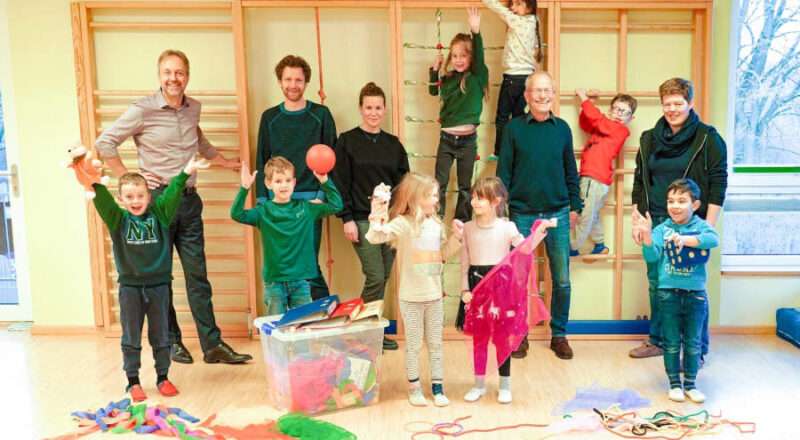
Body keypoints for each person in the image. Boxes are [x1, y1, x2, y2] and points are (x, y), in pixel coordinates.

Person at [95, 49, 251, 365]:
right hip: (157, 204)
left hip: (189, 202)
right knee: (160, 278)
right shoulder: (143, 110)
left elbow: (198, 139)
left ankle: (213, 346)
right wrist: (128, 180)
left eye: (179, 72)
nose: (173, 78)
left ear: (187, 75)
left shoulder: (193, 108)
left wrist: (223, 161)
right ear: (159, 75)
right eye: (167, 72)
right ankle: (173, 342)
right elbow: (104, 143)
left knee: (198, 277)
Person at [83, 156, 207, 401]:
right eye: (129, 197)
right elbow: (103, 201)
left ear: (149, 197)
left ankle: (162, 377)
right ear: (122, 200)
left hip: (159, 287)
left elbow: (172, 193)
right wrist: (93, 183)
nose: (135, 201)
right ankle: (133, 381)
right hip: (130, 289)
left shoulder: (160, 215)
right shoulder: (118, 220)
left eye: (140, 196)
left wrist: (185, 172)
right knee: (131, 337)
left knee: (161, 336)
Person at [630, 78, 728, 361]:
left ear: (690, 104)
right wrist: (639, 220)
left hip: (690, 223)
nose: (672, 109)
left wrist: (707, 225)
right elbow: (640, 181)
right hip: (658, 221)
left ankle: (698, 348)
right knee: (658, 283)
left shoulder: (708, 138)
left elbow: (718, 182)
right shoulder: (649, 138)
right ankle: (658, 341)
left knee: (690, 286)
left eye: (678, 104)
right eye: (667, 104)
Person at [497, 71, 582, 360]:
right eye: (537, 91)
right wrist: (501, 212)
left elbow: (571, 170)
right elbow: (503, 172)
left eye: (547, 90)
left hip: (558, 212)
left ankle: (559, 334)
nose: (542, 96)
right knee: (519, 280)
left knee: (562, 280)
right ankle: (520, 334)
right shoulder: (514, 129)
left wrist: (576, 205)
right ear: (527, 95)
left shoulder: (563, 129)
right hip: (521, 214)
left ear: (554, 94)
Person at [365, 173, 463, 407]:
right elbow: (374, 236)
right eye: (430, 195)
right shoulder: (403, 223)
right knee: (414, 344)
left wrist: (457, 239)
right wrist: (378, 209)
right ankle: (414, 387)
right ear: (415, 198)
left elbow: (442, 256)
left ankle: (438, 388)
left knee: (436, 344)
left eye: (436, 195)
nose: (435, 199)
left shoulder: (437, 223)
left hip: (434, 297)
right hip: (411, 298)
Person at [333, 82, 409, 350]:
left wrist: (403, 220)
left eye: (378, 107)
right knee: (375, 275)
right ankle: (356, 332)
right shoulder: (347, 141)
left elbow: (404, 184)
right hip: (362, 220)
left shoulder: (393, 144)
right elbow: (339, 183)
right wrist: (346, 219)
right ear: (360, 109)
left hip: (390, 222)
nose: (373, 112)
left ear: (385, 109)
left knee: (384, 275)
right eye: (368, 107)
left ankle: (372, 332)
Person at [255, 55, 337, 301]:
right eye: (288, 79)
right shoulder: (269, 117)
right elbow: (262, 158)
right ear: (280, 82)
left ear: (306, 82)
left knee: (307, 265)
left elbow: (333, 158)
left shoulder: (321, 115)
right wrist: (263, 202)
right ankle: (294, 322)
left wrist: (323, 196)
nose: (293, 84)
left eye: (298, 80)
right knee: (284, 266)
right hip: (277, 205)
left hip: (309, 202)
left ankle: (322, 316)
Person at [634, 178, 719, 403]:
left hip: (695, 295)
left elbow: (712, 239)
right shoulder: (663, 229)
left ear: (696, 205)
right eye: (671, 201)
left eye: (682, 201)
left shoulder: (700, 226)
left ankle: (690, 384)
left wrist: (685, 239)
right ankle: (674, 384)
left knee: (693, 343)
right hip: (668, 293)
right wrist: (647, 238)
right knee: (671, 342)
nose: (675, 205)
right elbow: (651, 257)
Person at [231, 157, 342, 315]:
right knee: (277, 329)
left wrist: (325, 181)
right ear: (268, 184)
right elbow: (236, 214)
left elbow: (337, 205)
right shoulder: (263, 212)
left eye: (288, 180)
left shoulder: (307, 209)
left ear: (294, 182)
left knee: (302, 327)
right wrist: (244, 188)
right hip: (274, 282)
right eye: (278, 181)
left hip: (301, 282)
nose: (284, 185)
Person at [458, 177, 526, 404]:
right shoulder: (467, 228)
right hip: (477, 287)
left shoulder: (508, 227)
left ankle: (505, 385)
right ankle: (479, 385)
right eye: (473, 197)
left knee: (502, 339)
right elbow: (464, 262)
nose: (474, 202)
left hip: (501, 289)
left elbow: (524, 249)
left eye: (480, 198)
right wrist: (464, 290)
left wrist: (539, 231)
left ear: (496, 201)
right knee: (479, 339)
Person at [429, 7, 488, 222]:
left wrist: (476, 32)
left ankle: (461, 223)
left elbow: (480, 57)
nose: (458, 60)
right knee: (440, 183)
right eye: (454, 56)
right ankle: (437, 219)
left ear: (471, 57)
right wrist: (434, 71)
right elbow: (433, 90)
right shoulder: (449, 79)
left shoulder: (476, 77)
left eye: (463, 55)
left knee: (465, 187)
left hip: (467, 141)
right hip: (446, 139)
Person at [570, 89, 637, 257]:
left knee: (584, 214)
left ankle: (572, 246)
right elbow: (586, 123)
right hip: (596, 179)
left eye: (625, 112)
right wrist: (587, 104)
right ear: (610, 110)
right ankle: (599, 244)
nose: (619, 114)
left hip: (594, 178)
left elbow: (597, 119)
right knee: (591, 214)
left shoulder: (619, 130)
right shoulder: (603, 129)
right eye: (616, 109)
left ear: (631, 118)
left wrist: (585, 99)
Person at [481, 0, 542, 160]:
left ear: (529, 6)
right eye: (512, 4)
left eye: (518, 4)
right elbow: (535, 48)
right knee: (518, 118)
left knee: (502, 116)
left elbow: (498, 8)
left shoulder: (517, 21)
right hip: (527, 80)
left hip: (513, 78)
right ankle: (517, 152)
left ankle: (499, 151)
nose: (513, 8)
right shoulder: (534, 21)